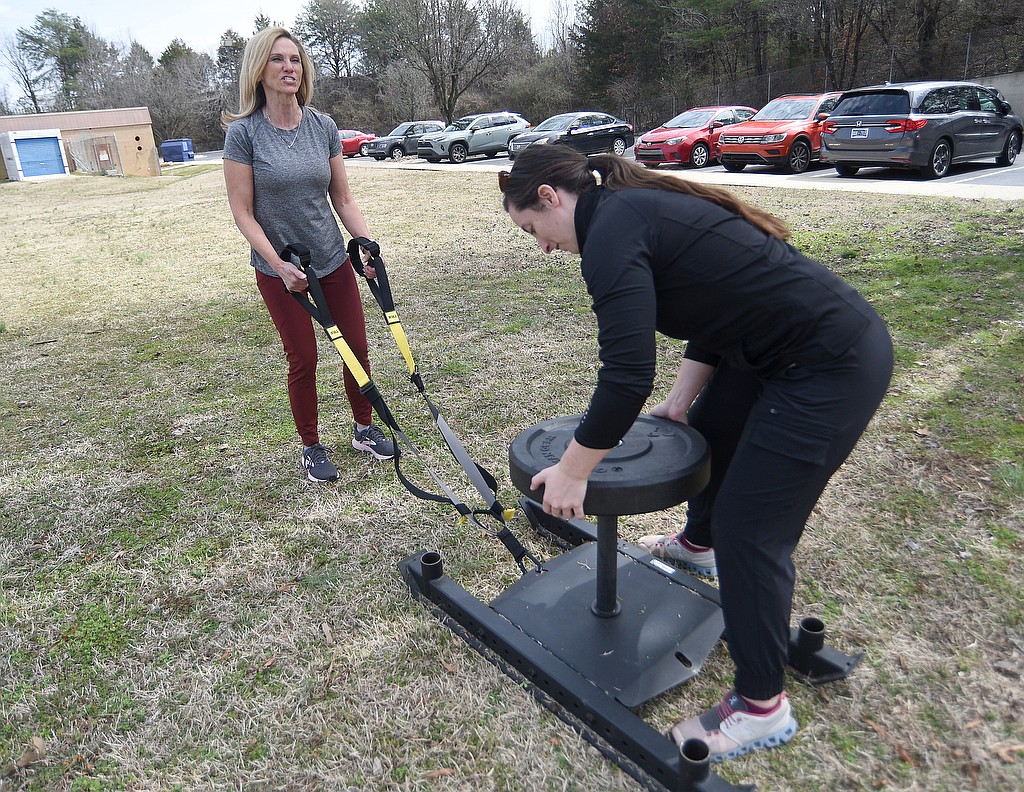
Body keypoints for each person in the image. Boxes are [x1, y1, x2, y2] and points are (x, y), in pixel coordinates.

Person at [498, 144, 893, 761]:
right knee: (710, 433)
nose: (541, 246)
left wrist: (575, 469)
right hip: (771, 350)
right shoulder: (627, 211)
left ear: (550, 198)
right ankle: (696, 548)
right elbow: (715, 304)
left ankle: (761, 706)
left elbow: (627, 373)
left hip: (829, 365)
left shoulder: (609, 233)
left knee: (752, 529)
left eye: (532, 230)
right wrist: (681, 403)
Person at [222, 27, 394, 483]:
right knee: (303, 356)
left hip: (332, 260)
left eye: (295, 60)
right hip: (279, 270)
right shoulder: (244, 134)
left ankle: (363, 428)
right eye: (278, 60)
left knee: (356, 347)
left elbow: (344, 198)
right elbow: (242, 212)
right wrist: (278, 265)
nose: (288, 68)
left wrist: (366, 244)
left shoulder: (323, 126)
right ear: (259, 70)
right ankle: (311, 446)